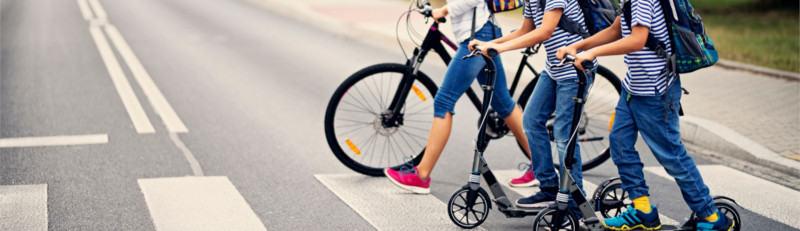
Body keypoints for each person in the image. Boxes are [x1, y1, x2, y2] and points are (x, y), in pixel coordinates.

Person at [556, 0, 733, 230]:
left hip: (655, 92)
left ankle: (711, 216)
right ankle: (643, 211)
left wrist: (591, 53)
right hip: (632, 89)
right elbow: (615, 30)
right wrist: (578, 47)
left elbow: (637, 40)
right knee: (619, 145)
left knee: (672, 156)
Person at [384, 0, 535, 194]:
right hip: (484, 31)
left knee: (444, 101)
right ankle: (543, 168)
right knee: (503, 103)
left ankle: (421, 175)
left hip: (477, 35)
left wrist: (444, 10)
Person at [471, 0, 595, 208]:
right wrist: (491, 44)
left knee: (564, 134)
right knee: (530, 121)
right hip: (553, 70)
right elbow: (526, 30)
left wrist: (500, 48)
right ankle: (549, 187)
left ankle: (575, 199)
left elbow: (544, 32)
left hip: (575, 72)